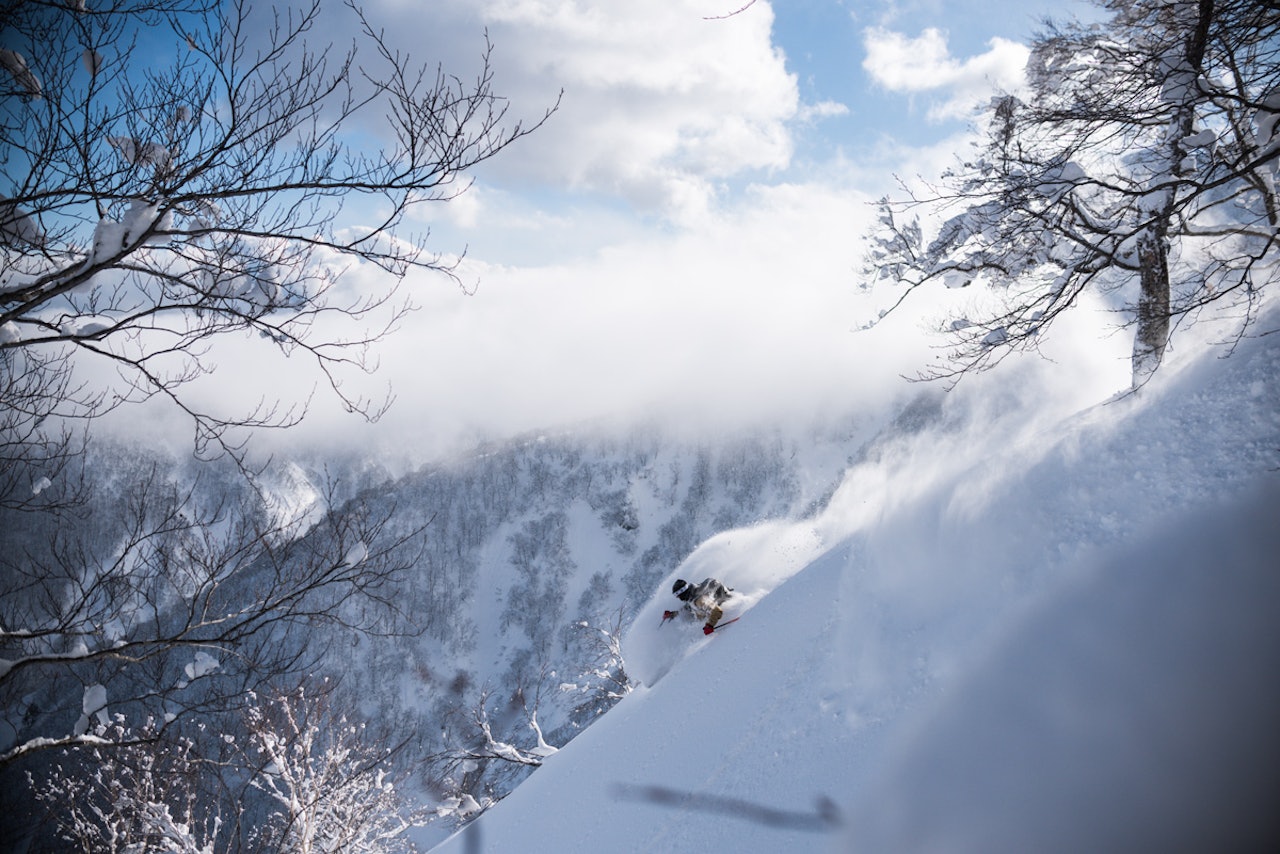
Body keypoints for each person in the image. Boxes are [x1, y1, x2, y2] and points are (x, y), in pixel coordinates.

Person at [664, 577, 733, 634]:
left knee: (699, 615)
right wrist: (672, 614)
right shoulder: (691, 597)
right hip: (717, 601)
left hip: (728, 606)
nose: (677, 597)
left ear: (682, 592)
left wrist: (709, 625)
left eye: (677, 594)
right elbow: (687, 609)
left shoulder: (699, 600)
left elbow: (717, 611)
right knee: (696, 614)